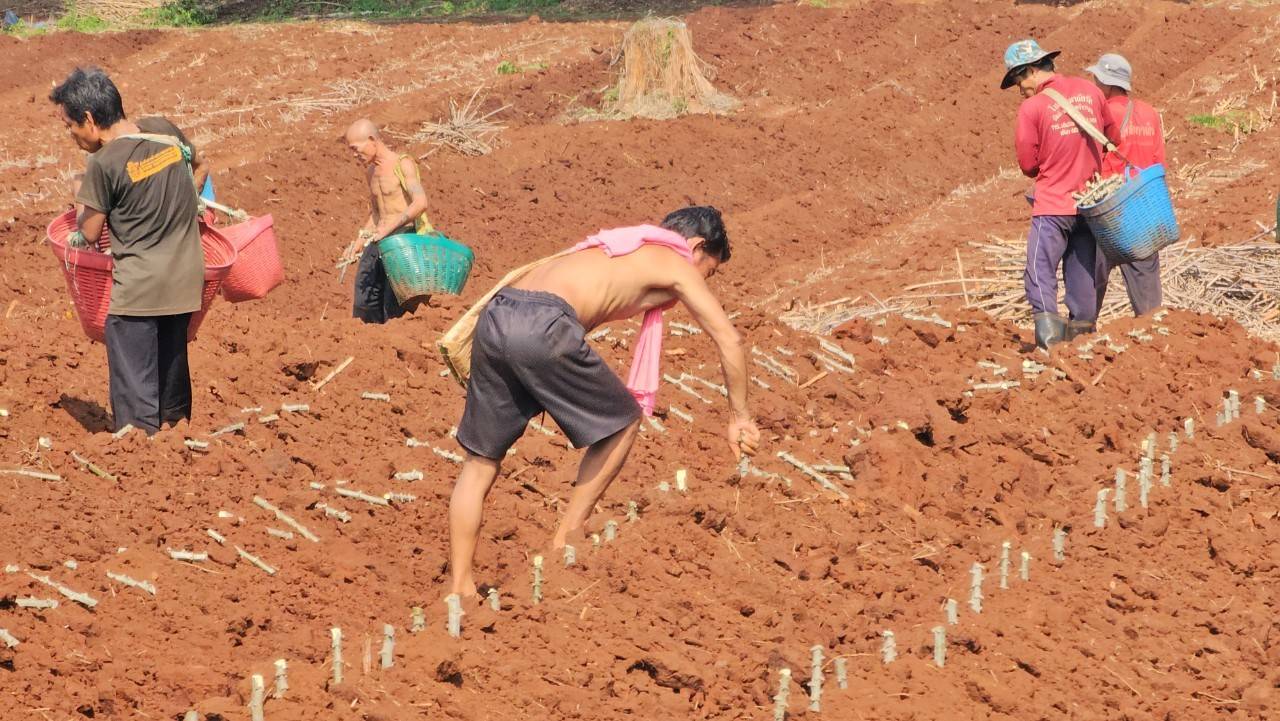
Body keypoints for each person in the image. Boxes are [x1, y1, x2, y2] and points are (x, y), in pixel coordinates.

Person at [446, 206, 762, 598]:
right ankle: (565, 544)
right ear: (696, 247)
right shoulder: (674, 260)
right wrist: (739, 416)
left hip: (497, 314)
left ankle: (459, 587)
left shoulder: (619, 246)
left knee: (480, 462)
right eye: (709, 272)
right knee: (624, 422)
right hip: (543, 323)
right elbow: (729, 339)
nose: (703, 281)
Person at [50, 67, 204, 434]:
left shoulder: (103, 164)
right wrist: (182, 206)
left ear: (89, 119)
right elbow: (200, 167)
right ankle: (179, 439)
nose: (70, 135)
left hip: (138, 290)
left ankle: (139, 455)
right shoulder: (163, 129)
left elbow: (89, 233)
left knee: (135, 388)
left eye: (69, 125)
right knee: (172, 369)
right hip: (185, 281)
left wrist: (78, 195)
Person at [1002, 39, 1117, 348]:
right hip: (1090, 202)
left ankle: (1050, 341)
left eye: (1017, 80)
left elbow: (1028, 163)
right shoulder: (1090, 91)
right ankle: (1083, 342)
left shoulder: (1032, 107)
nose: (1019, 88)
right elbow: (1111, 136)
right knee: (1082, 274)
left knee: (1039, 269)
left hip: (1053, 203)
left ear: (1029, 71)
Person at [1086, 52, 1165, 317]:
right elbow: (1158, 163)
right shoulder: (1150, 114)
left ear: (1106, 84)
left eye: (1097, 79)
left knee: (1091, 279)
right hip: (1143, 208)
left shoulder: (1103, 113)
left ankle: (1080, 340)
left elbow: (1091, 160)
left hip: (1109, 209)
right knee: (1147, 291)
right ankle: (1155, 334)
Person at [341, 119, 432, 324]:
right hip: (378, 239)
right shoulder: (371, 172)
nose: (354, 155)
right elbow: (376, 214)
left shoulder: (403, 164)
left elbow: (420, 203)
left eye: (356, 149)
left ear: (372, 140)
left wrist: (389, 228)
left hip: (403, 239)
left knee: (394, 303)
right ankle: (368, 344)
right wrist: (357, 243)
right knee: (364, 300)